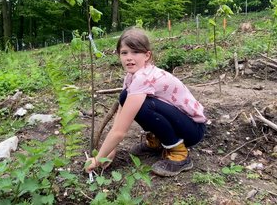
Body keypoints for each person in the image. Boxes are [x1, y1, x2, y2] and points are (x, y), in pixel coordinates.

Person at [85, 27, 207, 177]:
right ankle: (156, 142)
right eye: (124, 53)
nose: (129, 57)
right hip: (181, 124)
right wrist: (111, 150)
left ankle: (179, 154)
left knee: (145, 106)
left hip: (193, 130)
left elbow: (120, 131)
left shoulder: (143, 78)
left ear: (147, 55)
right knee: (125, 97)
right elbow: (123, 110)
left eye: (135, 52)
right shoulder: (131, 76)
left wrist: (97, 160)